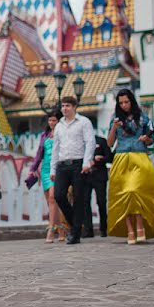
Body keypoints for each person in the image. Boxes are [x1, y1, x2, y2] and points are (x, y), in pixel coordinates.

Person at [107, 89, 154, 244]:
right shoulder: (115, 119)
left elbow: (151, 140)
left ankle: (140, 224)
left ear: (132, 101)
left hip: (139, 157)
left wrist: (146, 138)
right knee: (124, 195)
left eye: (126, 102)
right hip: (121, 158)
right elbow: (109, 143)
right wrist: (114, 128)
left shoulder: (143, 118)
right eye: (121, 103)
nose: (124, 105)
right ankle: (130, 229)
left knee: (134, 191)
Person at [50, 95, 95, 245]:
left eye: (68, 106)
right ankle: (76, 224)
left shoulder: (84, 122)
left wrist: (87, 162)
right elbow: (55, 148)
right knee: (59, 195)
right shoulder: (59, 125)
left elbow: (90, 142)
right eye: (63, 106)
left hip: (78, 163)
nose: (65, 109)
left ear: (74, 107)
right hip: (62, 164)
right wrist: (53, 169)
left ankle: (74, 233)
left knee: (78, 198)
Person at [28, 111, 65, 243]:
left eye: (54, 120)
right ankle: (60, 227)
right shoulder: (44, 135)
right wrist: (32, 169)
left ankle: (51, 229)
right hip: (45, 169)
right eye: (50, 120)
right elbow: (39, 153)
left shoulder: (62, 134)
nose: (52, 123)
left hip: (57, 169)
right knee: (50, 202)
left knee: (52, 198)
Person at [83, 136, 111, 238]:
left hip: (99, 175)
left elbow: (110, 156)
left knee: (101, 201)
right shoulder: (81, 141)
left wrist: (101, 159)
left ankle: (103, 228)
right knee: (85, 202)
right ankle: (88, 229)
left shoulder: (101, 140)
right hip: (86, 175)